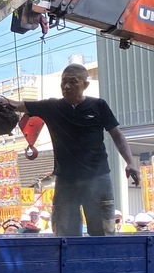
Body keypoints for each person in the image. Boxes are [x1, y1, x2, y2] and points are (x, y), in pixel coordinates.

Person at [9, 63, 139, 236]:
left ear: (85, 84)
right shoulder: (52, 107)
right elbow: (17, 105)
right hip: (66, 180)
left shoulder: (98, 105)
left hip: (98, 178)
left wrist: (130, 162)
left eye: (73, 81)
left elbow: (117, 135)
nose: (67, 86)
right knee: (64, 234)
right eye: (64, 82)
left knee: (103, 232)